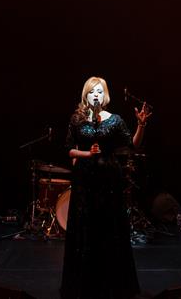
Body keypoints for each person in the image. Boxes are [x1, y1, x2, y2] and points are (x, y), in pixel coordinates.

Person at [61, 76, 151, 299]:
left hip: (109, 181)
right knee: (85, 229)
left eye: (100, 91)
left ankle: (112, 284)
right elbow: (69, 149)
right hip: (84, 182)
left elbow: (132, 145)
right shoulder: (77, 119)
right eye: (92, 91)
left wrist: (141, 124)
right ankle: (84, 285)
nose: (96, 95)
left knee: (109, 229)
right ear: (86, 95)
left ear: (105, 95)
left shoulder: (115, 120)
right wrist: (87, 153)